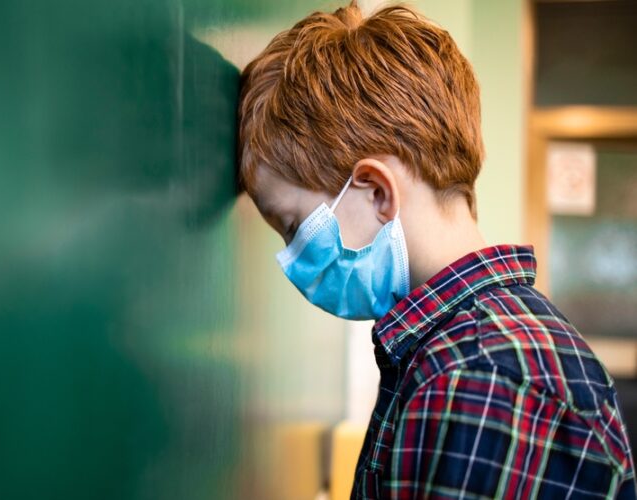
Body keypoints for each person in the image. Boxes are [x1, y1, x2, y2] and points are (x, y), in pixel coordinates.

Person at [237, 1, 636, 498]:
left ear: (377, 192)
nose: (292, 257)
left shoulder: (481, 377)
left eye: (293, 225)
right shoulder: (460, 351)